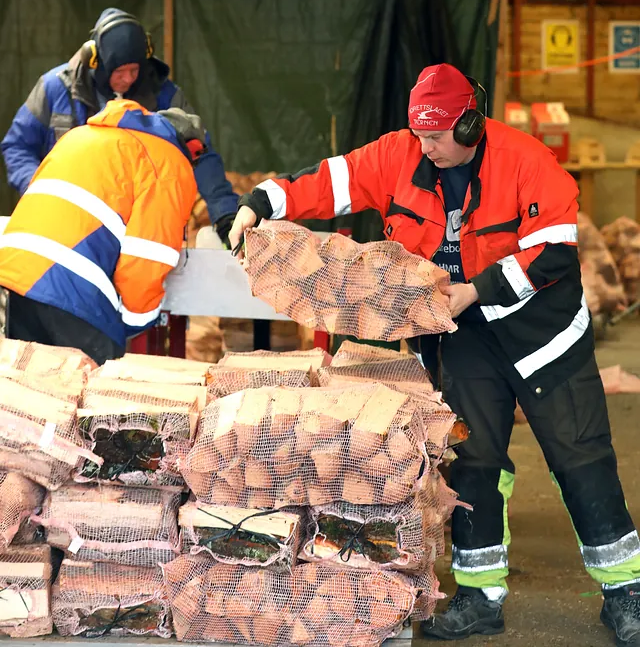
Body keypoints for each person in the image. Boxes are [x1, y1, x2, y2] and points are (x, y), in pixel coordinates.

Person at [229, 63, 640, 646]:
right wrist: (259, 202)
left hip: (543, 336)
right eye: (420, 135)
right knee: (474, 463)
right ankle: (480, 597)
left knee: (579, 455)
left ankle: (625, 592)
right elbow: (328, 180)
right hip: (462, 336)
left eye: (440, 137)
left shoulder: (526, 161)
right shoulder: (400, 155)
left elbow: (553, 251)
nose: (429, 149)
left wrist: (479, 289)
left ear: (471, 125)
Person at [1, 8, 238, 246]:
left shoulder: (164, 96)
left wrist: (225, 212)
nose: (128, 79)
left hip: (136, 228)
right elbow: (17, 146)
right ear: (94, 60)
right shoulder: (55, 88)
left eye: (134, 70)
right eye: (119, 72)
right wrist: (44, 193)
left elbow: (200, 152)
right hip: (63, 223)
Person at [0, 99, 202, 365]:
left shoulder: (80, 135)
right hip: (72, 294)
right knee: (94, 399)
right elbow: (146, 259)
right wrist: (132, 324)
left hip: (11, 277)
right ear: (191, 148)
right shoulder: (170, 161)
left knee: (24, 395)